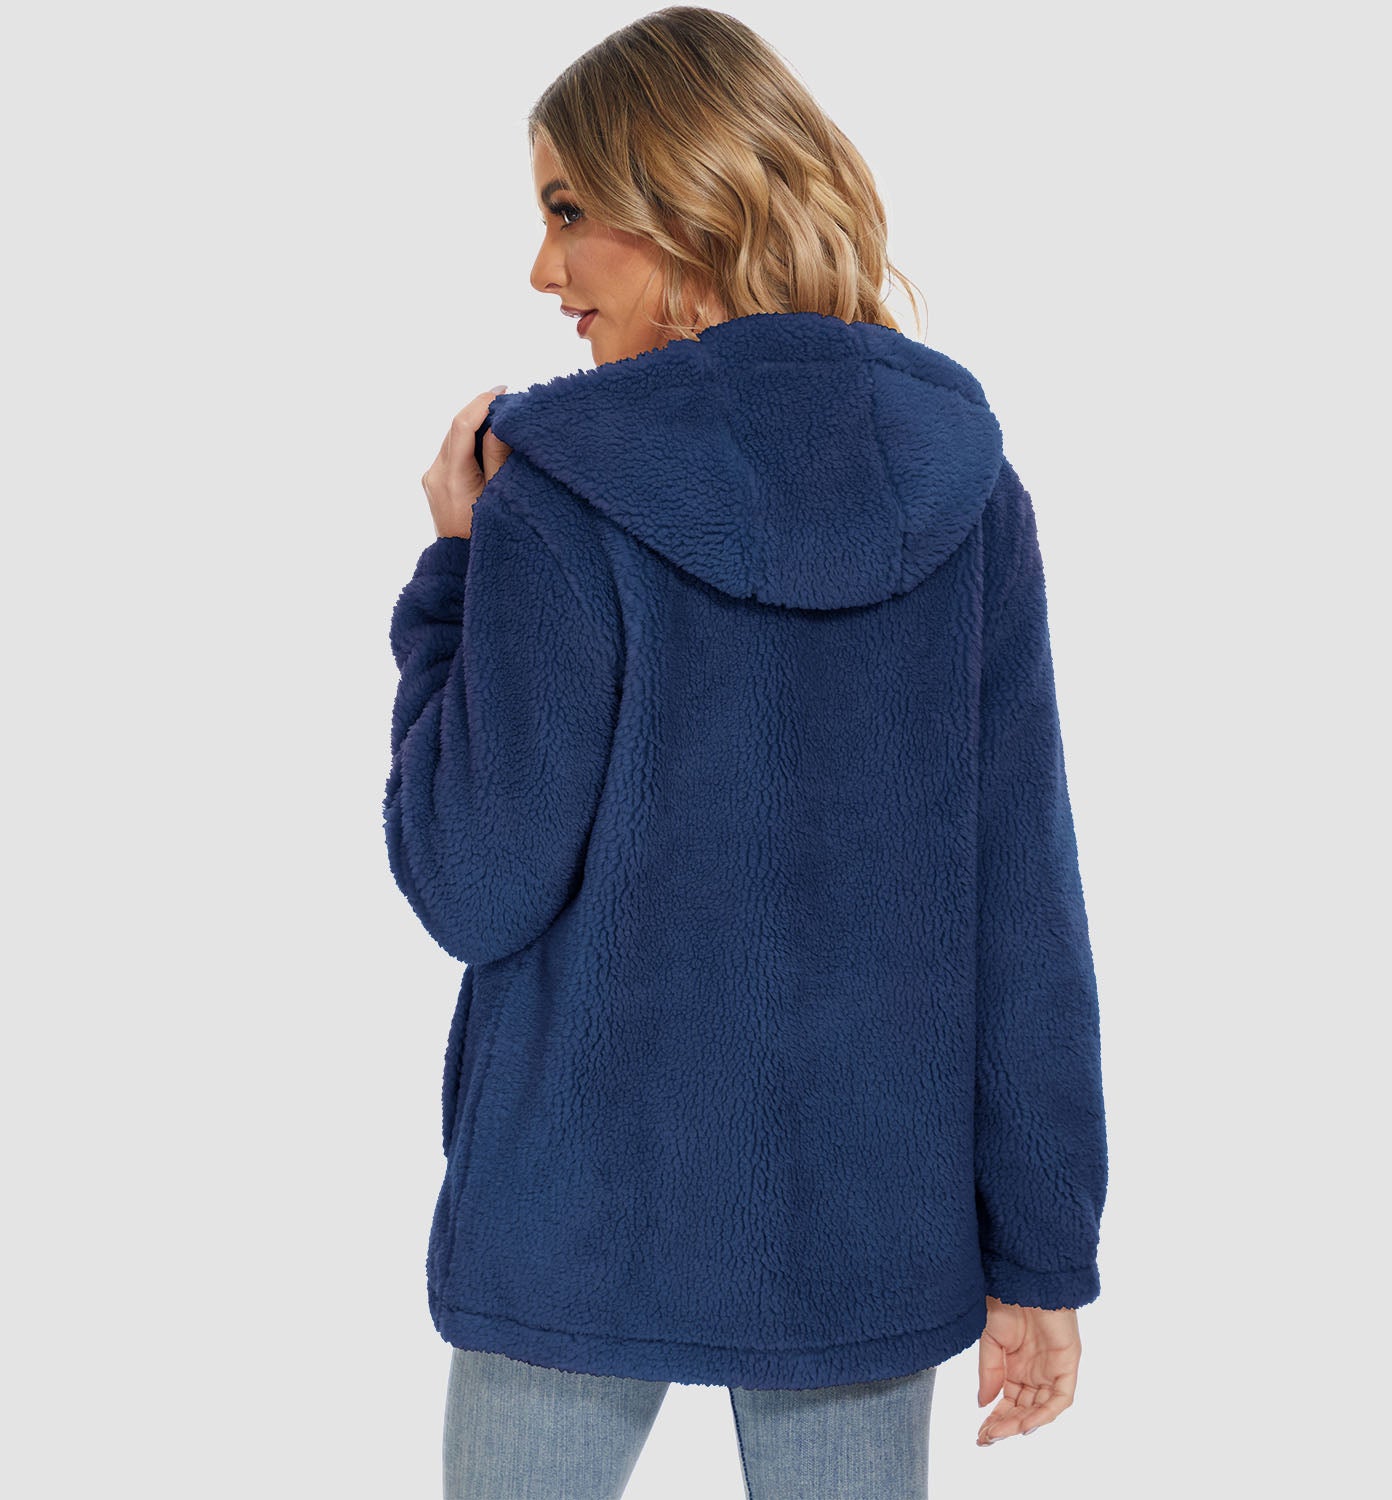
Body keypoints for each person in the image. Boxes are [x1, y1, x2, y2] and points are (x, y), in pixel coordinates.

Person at [382, 9, 1109, 1498]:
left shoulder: (559, 494)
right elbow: (1022, 901)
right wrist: (1042, 1252)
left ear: (687, 203)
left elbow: (472, 881)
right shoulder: (969, 493)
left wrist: (455, 571)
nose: (542, 271)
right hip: (863, 1225)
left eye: (568, 211)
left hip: (575, 1216)